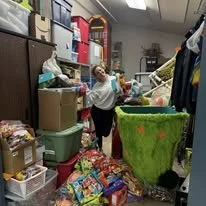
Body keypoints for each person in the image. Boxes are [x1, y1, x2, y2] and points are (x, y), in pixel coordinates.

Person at [86, 65, 122, 151]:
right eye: (97, 73)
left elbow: (117, 91)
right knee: (99, 132)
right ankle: (100, 150)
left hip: (108, 111)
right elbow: (91, 99)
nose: (100, 73)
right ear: (96, 76)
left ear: (104, 69)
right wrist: (87, 90)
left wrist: (117, 80)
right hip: (97, 111)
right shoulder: (97, 86)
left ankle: (98, 144)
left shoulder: (112, 79)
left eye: (100, 70)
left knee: (106, 132)